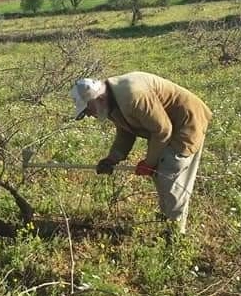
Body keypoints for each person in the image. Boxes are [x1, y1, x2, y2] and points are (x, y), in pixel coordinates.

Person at [71, 71, 212, 236]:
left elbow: (162, 130)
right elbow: (125, 131)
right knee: (161, 173)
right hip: (168, 126)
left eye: (88, 109)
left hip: (186, 123)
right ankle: (169, 217)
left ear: (99, 99)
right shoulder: (111, 101)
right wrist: (112, 158)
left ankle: (176, 234)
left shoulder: (133, 96)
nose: (89, 114)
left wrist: (149, 163)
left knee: (169, 170)